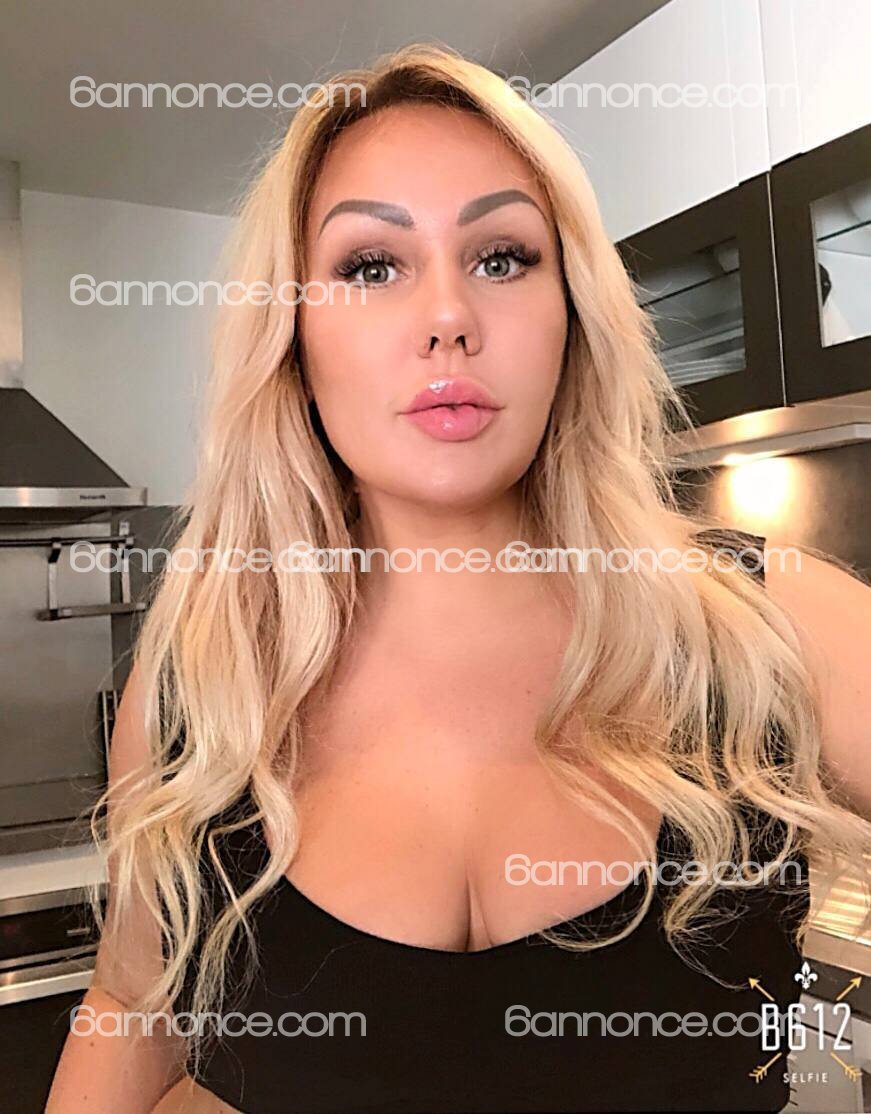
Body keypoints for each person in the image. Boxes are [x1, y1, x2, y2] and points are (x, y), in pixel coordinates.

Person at [48, 42, 871, 1114]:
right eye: (370, 267)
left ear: (571, 315)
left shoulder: (770, 624)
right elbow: (129, 1001)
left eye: (502, 257)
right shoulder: (202, 686)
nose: (448, 318)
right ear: (292, 337)